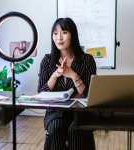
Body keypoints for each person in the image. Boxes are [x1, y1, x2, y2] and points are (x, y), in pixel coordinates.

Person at [38, 18, 96, 150]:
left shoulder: (87, 60)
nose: (59, 37)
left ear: (73, 35)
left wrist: (72, 75)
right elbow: (41, 93)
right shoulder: (47, 61)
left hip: (81, 113)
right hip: (55, 112)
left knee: (74, 130)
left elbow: (90, 94)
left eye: (64, 32)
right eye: (55, 33)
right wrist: (55, 74)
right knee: (57, 128)